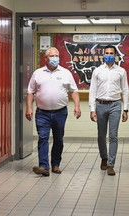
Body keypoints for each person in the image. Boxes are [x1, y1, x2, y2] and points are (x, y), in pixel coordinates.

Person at [26, 47, 81, 177]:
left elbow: (74, 90)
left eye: (57, 55)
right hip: (42, 113)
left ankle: (55, 164)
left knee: (58, 139)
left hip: (60, 113)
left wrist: (77, 106)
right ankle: (44, 166)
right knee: (43, 138)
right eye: (52, 56)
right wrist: (29, 107)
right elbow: (30, 92)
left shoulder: (65, 73)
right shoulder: (37, 73)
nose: (55, 58)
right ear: (46, 58)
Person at [89, 45, 129, 176]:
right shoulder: (97, 71)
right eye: (107, 53)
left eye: (112, 53)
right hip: (100, 105)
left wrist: (125, 109)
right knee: (101, 135)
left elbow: (125, 90)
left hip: (115, 105)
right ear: (103, 55)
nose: (109, 55)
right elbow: (92, 91)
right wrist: (92, 109)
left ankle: (111, 165)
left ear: (116, 56)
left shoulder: (121, 71)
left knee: (113, 136)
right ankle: (104, 158)